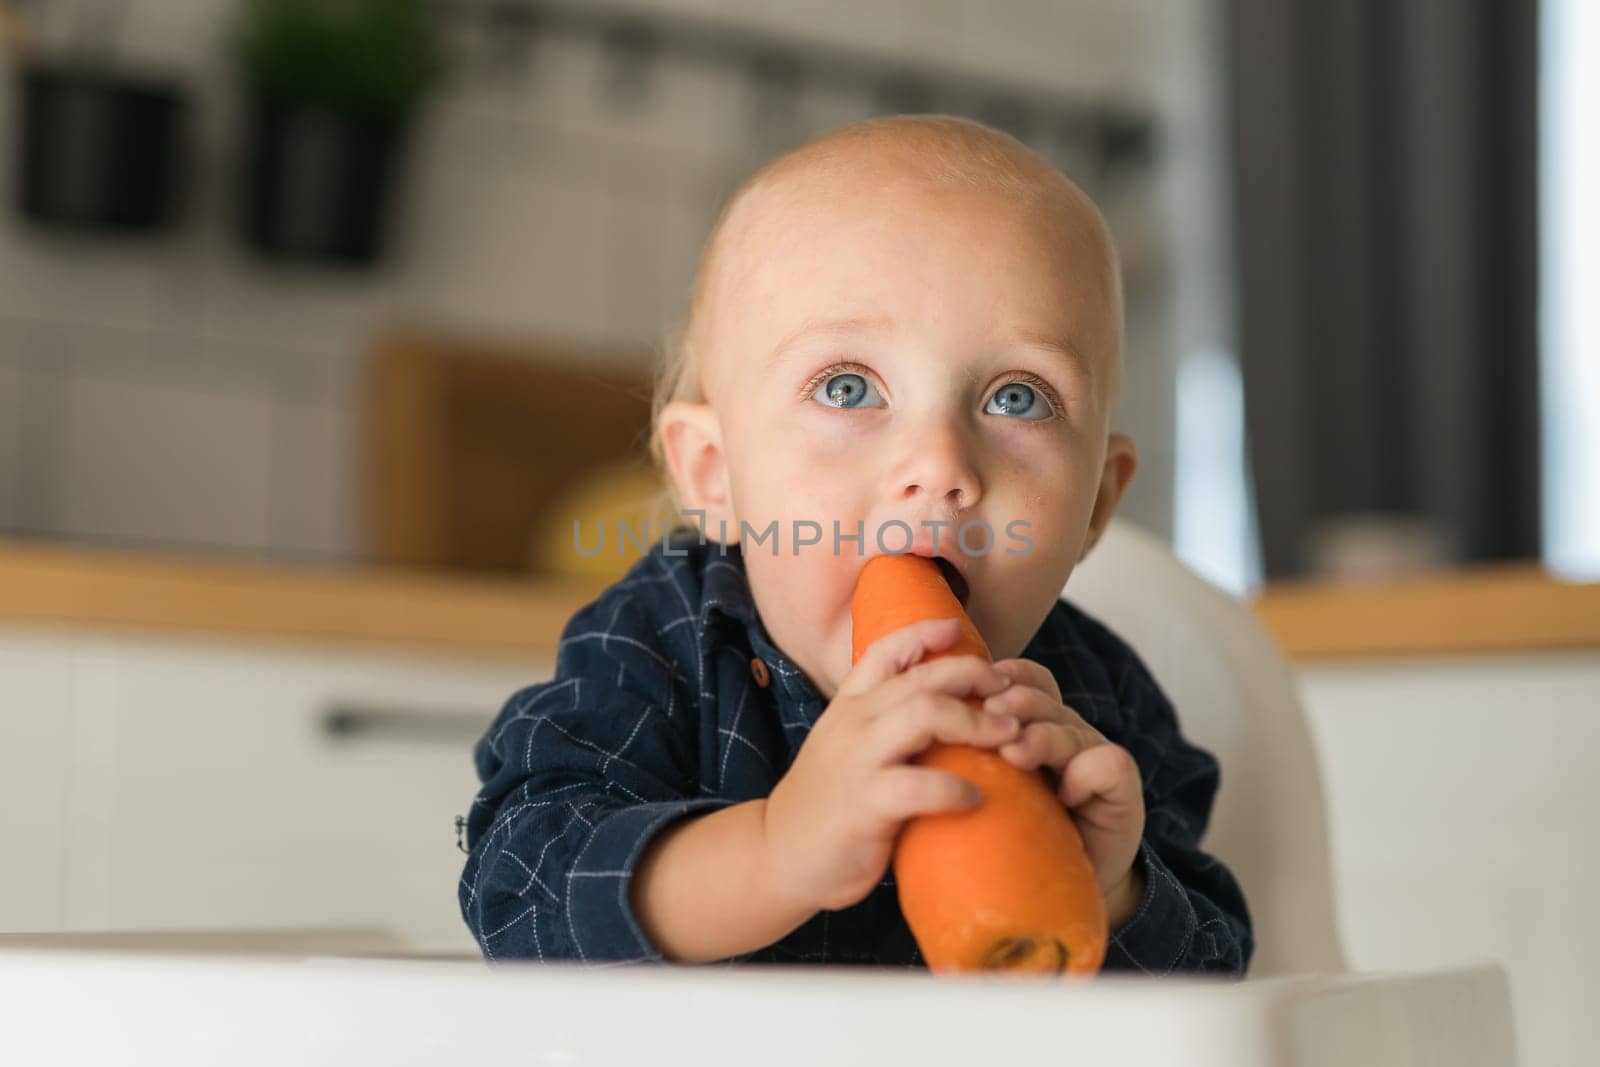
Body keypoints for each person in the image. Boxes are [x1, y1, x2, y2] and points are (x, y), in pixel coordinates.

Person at [458, 114, 1252, 974]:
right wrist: (774, 852)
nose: (939, 464)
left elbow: (1221, 974)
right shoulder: (657, 647)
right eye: (847, 385)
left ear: (1095, 506)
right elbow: (519, 884)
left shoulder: (1101, 709)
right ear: (717, 474)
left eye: (1018, 398)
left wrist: (1111, 890)